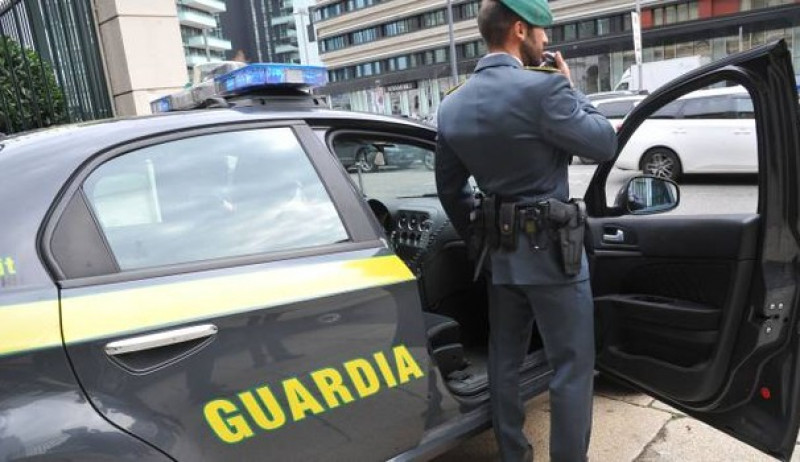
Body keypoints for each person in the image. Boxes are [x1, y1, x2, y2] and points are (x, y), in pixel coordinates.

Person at [435, 1, 618, 461]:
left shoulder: (452, 104)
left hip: (500, 256)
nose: (545, 40)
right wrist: (570, 87)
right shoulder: (545, 89)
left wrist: (482, 237)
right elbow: (604, 142)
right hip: (554, 255)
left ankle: (514, 454)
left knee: (505, 361)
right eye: (540, 31)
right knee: (571, 367)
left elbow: (451, 190)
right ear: (519, 30)